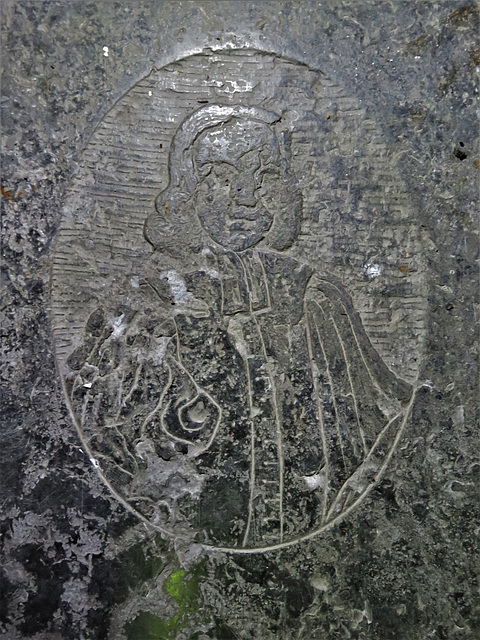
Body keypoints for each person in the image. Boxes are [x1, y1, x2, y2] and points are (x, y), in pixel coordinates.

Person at [67, 104, 413, 550]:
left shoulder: (314, 296)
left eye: (263, 177)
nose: (246, 198)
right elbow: (108, 435)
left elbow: (377, 422)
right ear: (187, 192)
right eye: (220, 177)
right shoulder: (144, 307)